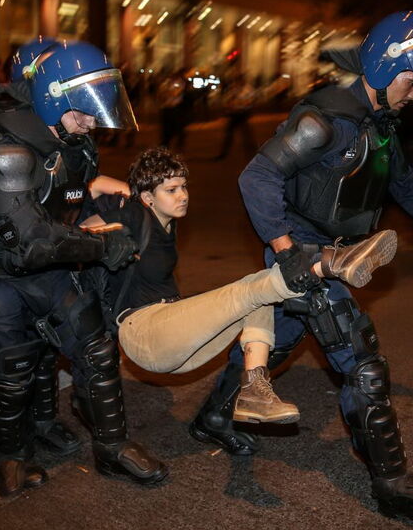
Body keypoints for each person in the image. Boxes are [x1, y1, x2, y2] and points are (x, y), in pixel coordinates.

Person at [188, 11, 413, 522]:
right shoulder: (323, 121)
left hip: (337, 253)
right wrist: (287, 251)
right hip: (307, 256)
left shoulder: (378, 124)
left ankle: (211, 419)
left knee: (281, 339)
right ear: (383, 66)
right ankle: (391, 481)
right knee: (362, 361)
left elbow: (408, 186)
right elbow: (257, 177)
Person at [0, 40, 167, 497]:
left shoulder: (68, 135)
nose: (92, 121)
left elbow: (66, 194)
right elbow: (33, 239)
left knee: (94, 348)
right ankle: (10, 457)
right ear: (52, 97)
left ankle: (112, 446)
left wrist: (97, 217)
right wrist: (102, 248)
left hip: (47, 261)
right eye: (82, 110)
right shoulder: (4, 149)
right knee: (11, 370)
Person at [93, 147, 397, 423]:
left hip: (174, 343)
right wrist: (116, 193)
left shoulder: (165, 223)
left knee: (259, 299)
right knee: (252, 287)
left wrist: (139, 190)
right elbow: (88, 202)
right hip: (144, 332)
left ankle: (254, 389)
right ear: (148, 198)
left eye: (183, 186)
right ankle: (329, 263)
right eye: (171, 190)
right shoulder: (134, 213)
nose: (183, 195)